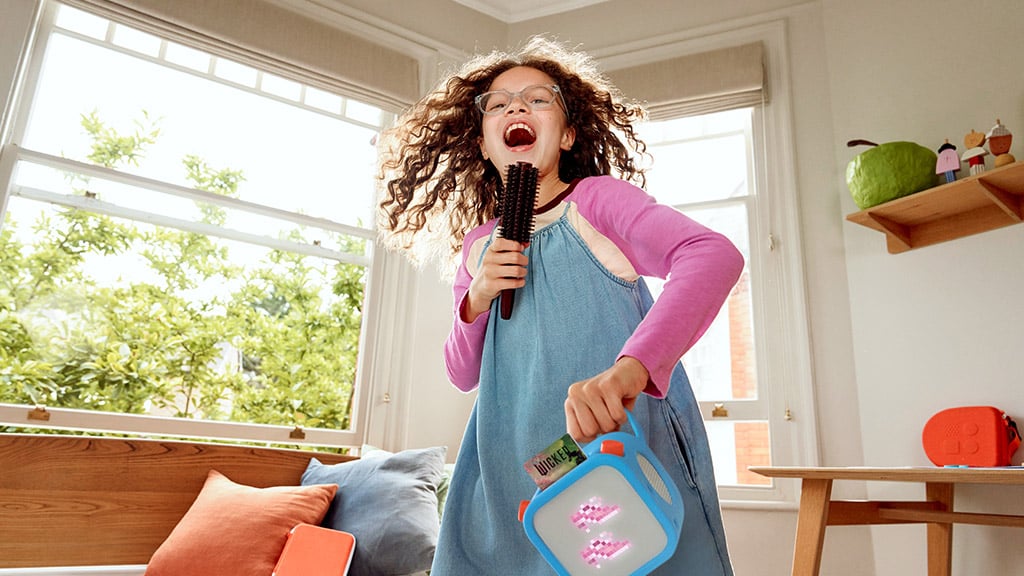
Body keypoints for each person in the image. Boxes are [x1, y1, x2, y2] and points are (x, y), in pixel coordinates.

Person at [377, 36, 743, 575]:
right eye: (497, 104)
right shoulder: (478, 246)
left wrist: (631, 369)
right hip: (513, 469)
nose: (516, 108)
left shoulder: (598, 203)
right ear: (483, 144)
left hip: (610, 449)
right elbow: (461, 373)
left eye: (538, 99)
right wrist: (477, 297)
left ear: (568, 134)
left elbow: (712, 256)